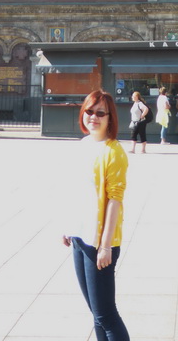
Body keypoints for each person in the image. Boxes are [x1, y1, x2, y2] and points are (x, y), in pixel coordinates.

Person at [62, 90, 130, 341]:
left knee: (106, 315)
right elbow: (77, 191)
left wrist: (105, 246)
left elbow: (115, 199)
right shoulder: (84, 145)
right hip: (80, 238)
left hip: (99, 242)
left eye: (101, 113)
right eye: (89, 111)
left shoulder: (114, 152)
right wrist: (68, 227)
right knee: (96, 313)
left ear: (110, 118)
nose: (94, 117)